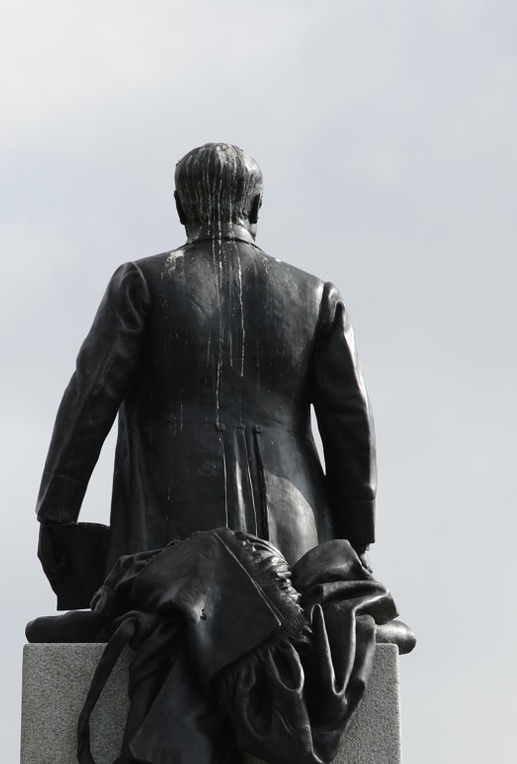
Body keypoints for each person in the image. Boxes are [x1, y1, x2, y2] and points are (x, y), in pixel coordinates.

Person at [35, 143, 380, 602]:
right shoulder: (316, 296)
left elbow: (88, 402)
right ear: (256, 205)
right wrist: (355, 542)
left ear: (180, 207)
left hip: (172, 534)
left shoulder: (142, 282)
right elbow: (351, 431)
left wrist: (55, 513)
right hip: (296, 541)